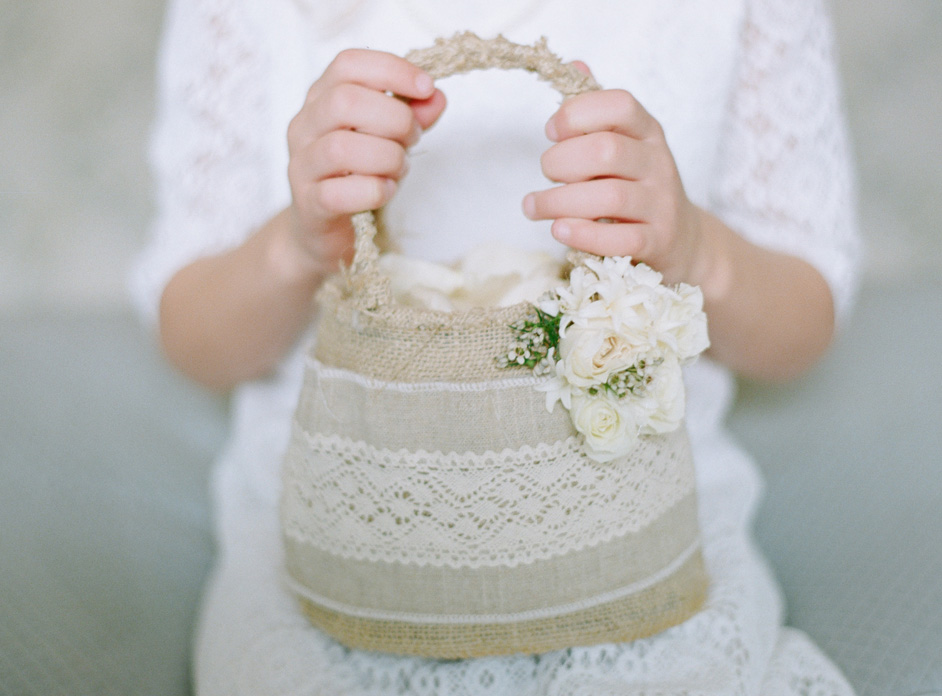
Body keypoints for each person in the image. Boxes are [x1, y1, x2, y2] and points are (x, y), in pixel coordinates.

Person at [132, 0, 861, 693]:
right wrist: (297, 243)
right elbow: (196, 339)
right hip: (345, 527)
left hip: (632, 524)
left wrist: (696, 248)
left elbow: (803, 324)